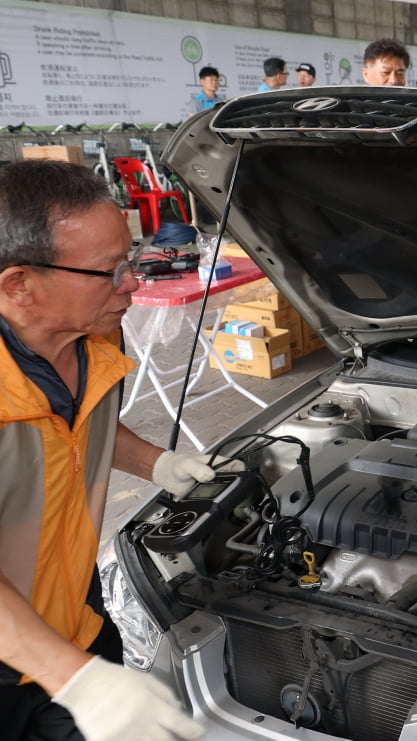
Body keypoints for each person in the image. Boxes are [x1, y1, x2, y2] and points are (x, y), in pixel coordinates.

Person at [0, 160, 240, 741]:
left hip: (76, 618)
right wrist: (74, 679)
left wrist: (158, 462)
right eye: (110, 271)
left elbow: (84, 430)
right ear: (19, 285)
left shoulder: (95, 336)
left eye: (129, 260)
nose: (133, 283)